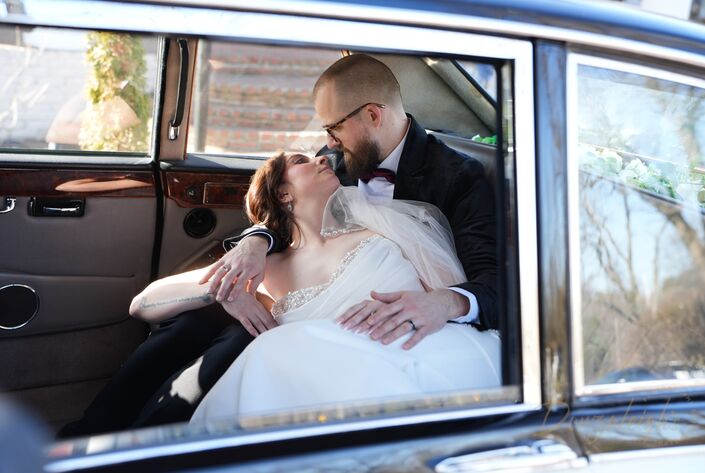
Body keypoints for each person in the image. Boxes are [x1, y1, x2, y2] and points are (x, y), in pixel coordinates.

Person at [58, 53, 497, 436]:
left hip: (395, 339)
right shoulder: (336, 161)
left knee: (255, 350)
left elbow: (493, 279)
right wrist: (253, 244)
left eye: (333, 128)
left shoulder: (457, 178)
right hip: (307, 323)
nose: (326, 146)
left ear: (372, 116)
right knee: (201, 328)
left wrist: (443, 302)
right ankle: (97, 437)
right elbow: (289, 214)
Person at [188, 152, 500, 420]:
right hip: (330, 386)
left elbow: (453, 291)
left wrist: (432, 305)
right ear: (283, 194)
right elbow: (157, 297)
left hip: (422, 351)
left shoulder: (383, 227)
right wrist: (225, 290)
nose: (323, 158)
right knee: (269, 352)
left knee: (269, 349)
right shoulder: (263, 270)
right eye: (301, 161)